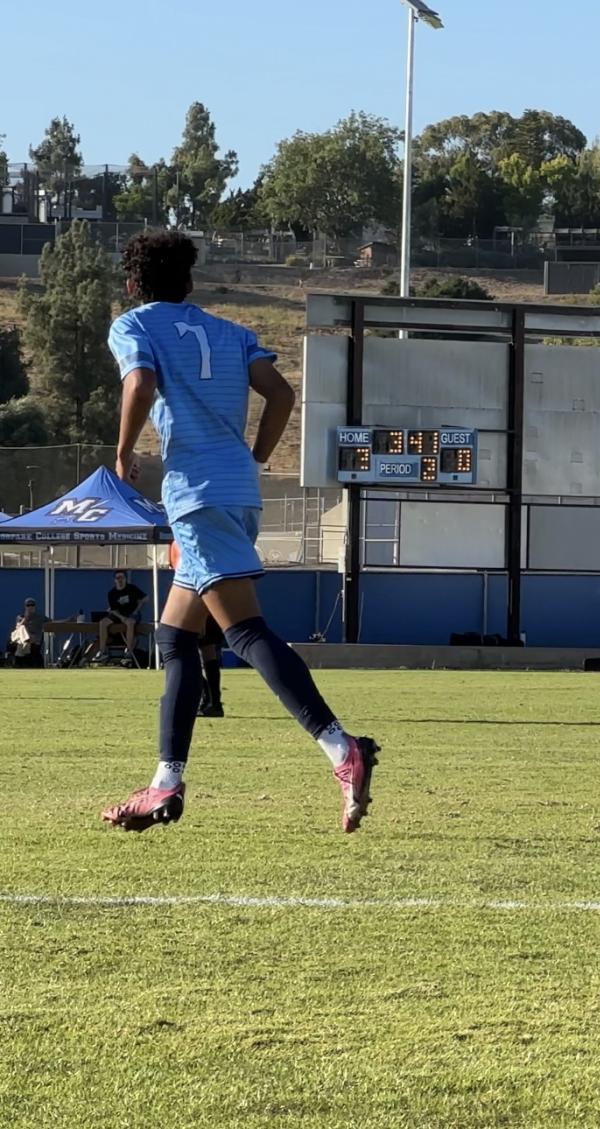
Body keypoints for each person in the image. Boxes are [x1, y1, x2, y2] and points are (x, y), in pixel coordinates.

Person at [100, 230, 379, 833]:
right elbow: (282, 393)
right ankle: (165, 784)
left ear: (132, 286)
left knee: (246, 633)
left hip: (197, 497)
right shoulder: (230, 332)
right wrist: (253, 454)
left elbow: (141, 384)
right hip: (234, 490)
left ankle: (341, 748)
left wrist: (122, 451)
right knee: (175, 640)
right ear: (190, 283)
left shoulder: (134, 325)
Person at [165, 541, 226, 716]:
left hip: (199, 599)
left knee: (183, 648)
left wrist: (203, 611)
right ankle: (212, 700)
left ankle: (210, 699)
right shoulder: (176, 542)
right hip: (196, 597)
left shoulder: (189, 539)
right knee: (203, 651)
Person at [97, 570, 148, 660]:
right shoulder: (111, 593)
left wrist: (137, 609)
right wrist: (122, 618)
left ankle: (128, 651)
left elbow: (146, 598)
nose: (120, 580)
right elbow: (113, 610)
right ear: (114, 580)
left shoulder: (132, 588)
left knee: (130, 622)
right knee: (103, 622)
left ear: (125, 579)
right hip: (118, 614)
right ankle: (102, 652)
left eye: (122, 578)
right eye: (118, 578)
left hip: (132, 613)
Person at [10, 597, 46, 668]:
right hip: (24, 639)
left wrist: (68, 620)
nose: (30, 607)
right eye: (28, 605)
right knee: (21, 628)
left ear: (35, 606)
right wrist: (26, 617)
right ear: (25, 607)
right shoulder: (20, 617)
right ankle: (26, 640)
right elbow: (18, 627)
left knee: (21, 639)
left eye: (32, 605)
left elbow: (53, 622)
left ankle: (25, 642)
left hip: (34, 639)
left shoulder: (40, 617)